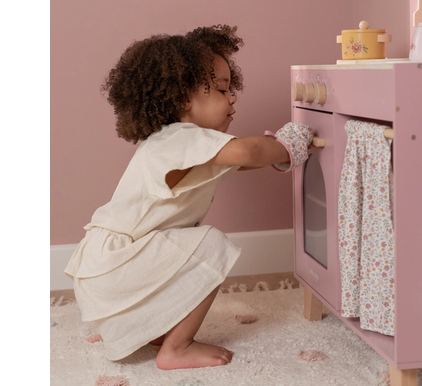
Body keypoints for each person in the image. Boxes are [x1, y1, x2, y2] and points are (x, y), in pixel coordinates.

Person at [64, 25, 313, 370]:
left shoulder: (183, 147)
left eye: (231, 89)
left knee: (187, 248)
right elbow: (246, 152)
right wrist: (289, 144)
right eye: (222, 89)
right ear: (182, 99)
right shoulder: (179, 138)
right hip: (116, 263)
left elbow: (241, 162)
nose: (233, 98)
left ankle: (155, 327)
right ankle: (177, 348)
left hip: (111, 264)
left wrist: (281, 155)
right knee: (210, 245)